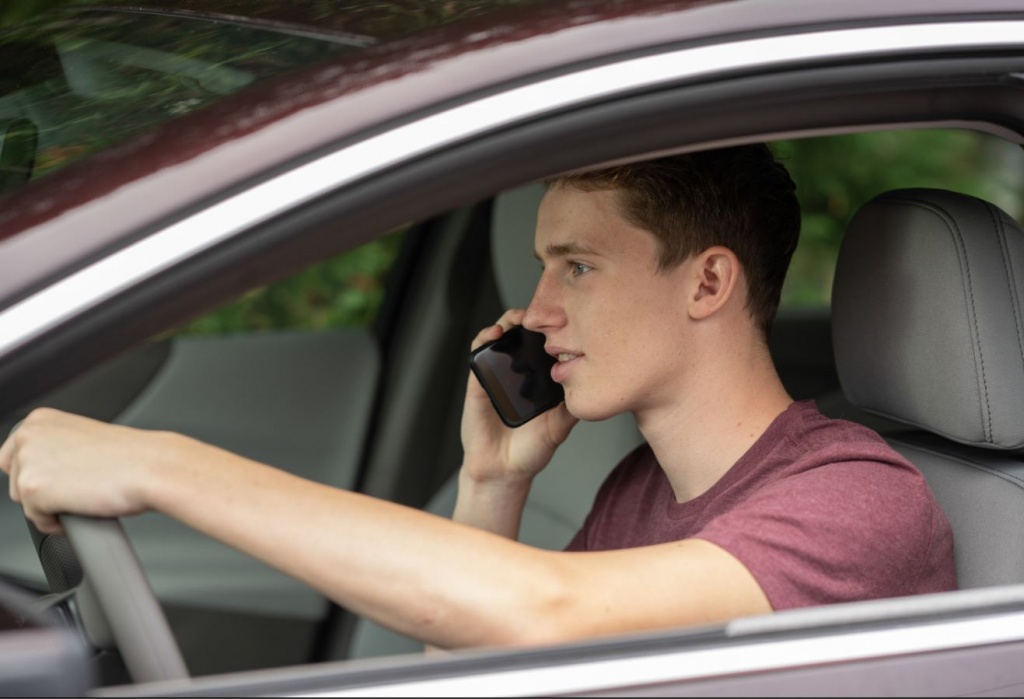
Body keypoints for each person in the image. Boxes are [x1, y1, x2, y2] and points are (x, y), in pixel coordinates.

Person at [0, 144, 955, 651]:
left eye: (577, 266)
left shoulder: (860, 500)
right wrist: (492, 482)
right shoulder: (638, 490)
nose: (536, 313)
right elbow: (484, 673)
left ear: (708, 285)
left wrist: (161, 463)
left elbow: (542, 610)